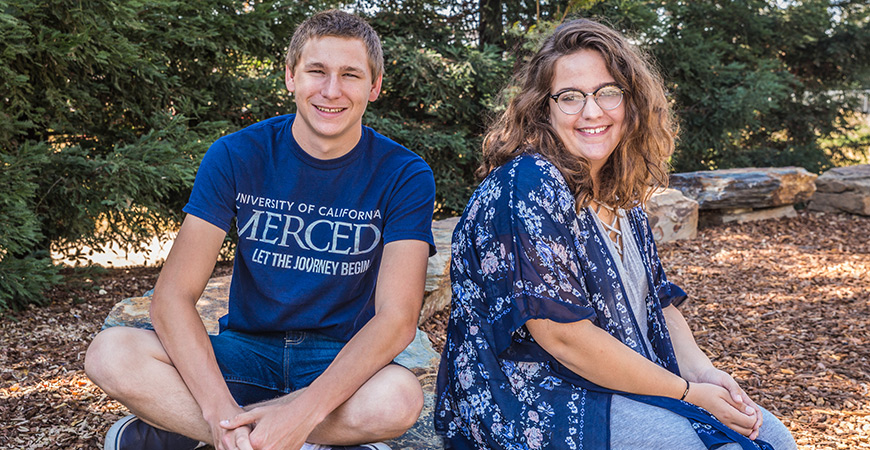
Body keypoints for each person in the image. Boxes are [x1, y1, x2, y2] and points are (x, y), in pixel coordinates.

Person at [434, 18, 797, 450]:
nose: (592, 111)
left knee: (770, 434)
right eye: (570, 97)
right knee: (681, 443)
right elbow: (563, 337)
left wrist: (704, 373)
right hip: (528, 394)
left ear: (632, 101)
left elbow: (658, 303)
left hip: (618, 381)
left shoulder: (619, 190)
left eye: (607, 92)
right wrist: (687, 393)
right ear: (543, 108)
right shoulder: (528, 183)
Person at [85, 10, 436, 450]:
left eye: (350, 74)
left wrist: (303, 411)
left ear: (375, 85)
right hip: (245, 352)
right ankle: (279, 439)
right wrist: (218, 414)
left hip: (336, 357)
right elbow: (172, 298)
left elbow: (397, 319)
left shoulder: (404, 173)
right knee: (111, 354)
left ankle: (179, 434)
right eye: (316, 71)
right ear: (290, 76)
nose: (331, 90)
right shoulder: (236, 154)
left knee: (398, 400)